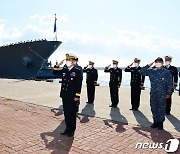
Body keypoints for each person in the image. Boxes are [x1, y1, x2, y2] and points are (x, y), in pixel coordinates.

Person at [53, 54, 83, 137]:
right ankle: (67, 129)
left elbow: (78, 84)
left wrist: (77, 96)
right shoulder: (65, 69)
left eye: (70, 60)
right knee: (66, 113)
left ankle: (71, 130)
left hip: (72, 96)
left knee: (72, 114)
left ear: (74, 61)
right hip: (64, 95)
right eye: (67, 60)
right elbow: (55, 72)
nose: (68, 62)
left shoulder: (77, 71)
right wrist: (58, 65)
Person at [140, 57, 173, 130]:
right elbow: (142, 71)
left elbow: (170, 83)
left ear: (162, 63)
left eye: (159, 62)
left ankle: (160, 123)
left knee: (161, 109)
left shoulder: (166, 72)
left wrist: (168, 93)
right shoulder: (151, 71)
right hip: (153, 94)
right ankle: (155, 122)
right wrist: (148, 65)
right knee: (153, 108)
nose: (158, 64)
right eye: (156, 62)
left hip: (162, 94)